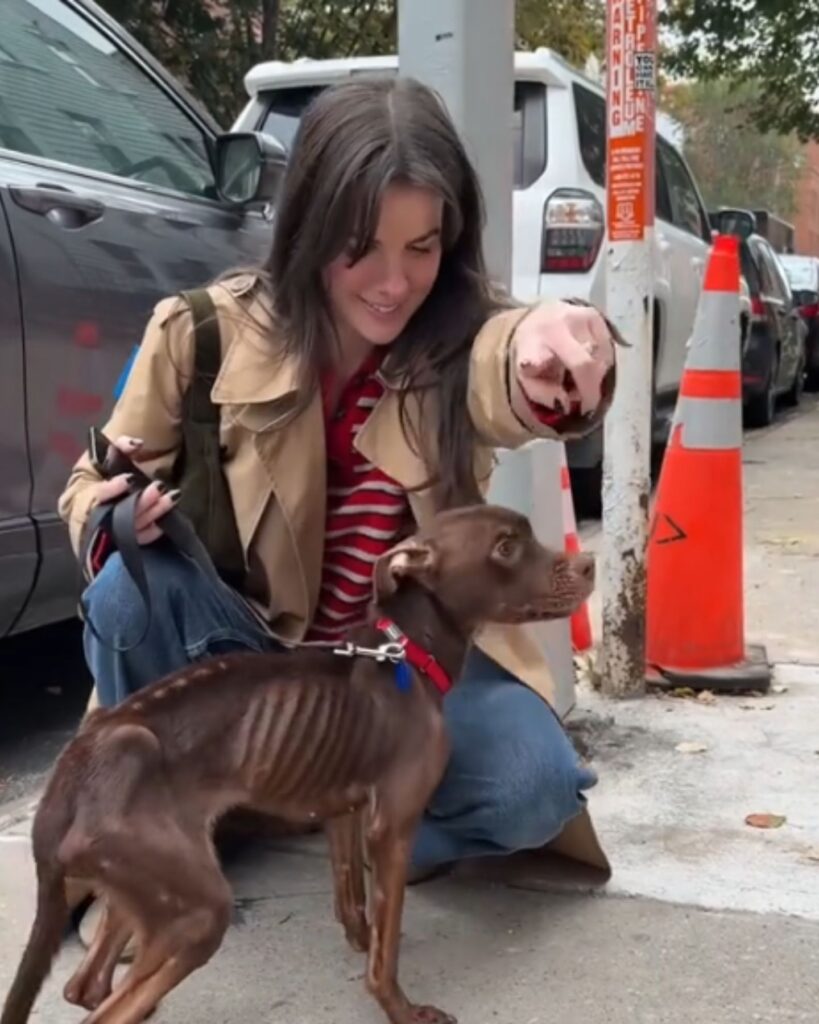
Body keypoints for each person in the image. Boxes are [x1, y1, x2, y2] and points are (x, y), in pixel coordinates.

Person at [58, 76, 616, 907]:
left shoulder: (462, 338)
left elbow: (507, 364)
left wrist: (550, 344)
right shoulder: (197, 330)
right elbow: (89, 480)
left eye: (421, 247)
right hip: (241, 656)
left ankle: (325, 813)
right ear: (309, 227)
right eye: (361, 247)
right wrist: (112, 514)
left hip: (403, 668)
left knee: (532, 792)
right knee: (122, 592)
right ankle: (173, 821)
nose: (393, 283)